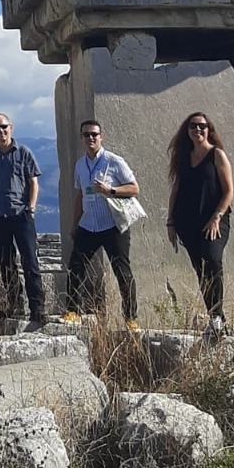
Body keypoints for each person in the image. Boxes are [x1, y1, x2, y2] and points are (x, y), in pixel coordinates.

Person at [59, 120, 141, 331]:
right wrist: (74, 224)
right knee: (76, 267)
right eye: (86, 134)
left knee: (122, 271)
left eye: (94, 134)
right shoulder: (80, 165)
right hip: (89, 225)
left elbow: (134, 188)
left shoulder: (114, 161)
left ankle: (130, 318)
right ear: (81, 138)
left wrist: (111, 190)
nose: (91, 138)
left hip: (113, 225)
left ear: (101, 137)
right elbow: (79, 195)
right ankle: (73, 312)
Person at [166, 112, 234, 335]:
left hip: (215, 219)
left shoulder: (217, 155)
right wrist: (170, 222)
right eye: (193, 126)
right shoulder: (183, 158)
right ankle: (214, 318)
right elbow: (176, 190)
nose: (198, 130)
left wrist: (217, 216)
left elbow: (229, 191)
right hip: (187, 222)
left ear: (208, 129)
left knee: (213, 260)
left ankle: (219, 316)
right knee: (201, 270)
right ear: (187, 131)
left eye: (202, 126)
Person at [0, 114, 46, 328]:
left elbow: (33, 182)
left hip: (21, 214)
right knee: (6, 265)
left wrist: (31, 208)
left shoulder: (24, 153)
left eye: (4, 126)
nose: (1, 131)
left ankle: (37, 308)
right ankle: (14, 304)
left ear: (11, 127)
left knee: (30, 262)